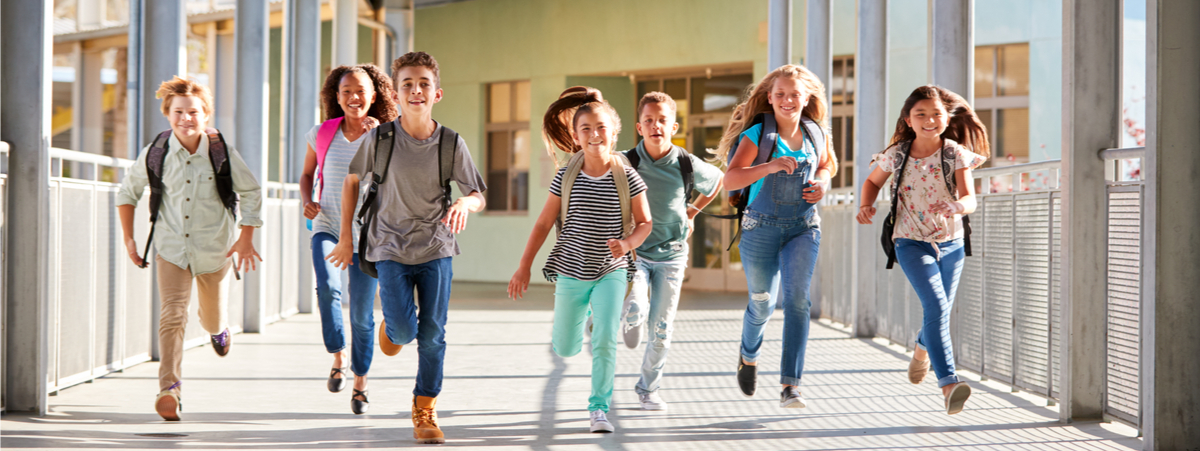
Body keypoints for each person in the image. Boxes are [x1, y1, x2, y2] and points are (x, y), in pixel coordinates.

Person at [326, 51, 486, 445]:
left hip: (436, 247)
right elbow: (351, 181)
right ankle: (393, 329)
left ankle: (424, 407)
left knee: (433, 335)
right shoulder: (379, 139)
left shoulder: (450, 142)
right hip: (388, 247)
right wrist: (346, 237)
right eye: (408, 85)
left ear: (437, 93)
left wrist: (465, 203)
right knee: (403, 328)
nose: (416, 91)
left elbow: (477, 192)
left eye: (424, 84)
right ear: (396, 95)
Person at [117, 76, 263, 421]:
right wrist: (129, 239)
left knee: (210, 317)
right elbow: (127, 193)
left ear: (206, 115)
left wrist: (246, 237)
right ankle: (169, 388)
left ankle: (218, 329)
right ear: (168, 114)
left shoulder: (221, 152)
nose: (186, 118)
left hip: (215, 249)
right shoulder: (156, 152)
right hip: (170, 248)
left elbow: (252, 191)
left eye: (193, 112)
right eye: (179, 112)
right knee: (172, 315)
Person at [507, 87, 652, 433]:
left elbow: (646, 222)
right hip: (571, 270)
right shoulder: (566, 176)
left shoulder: (627, 175)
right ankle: (587, 318)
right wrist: (524, 266)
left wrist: (628, 242)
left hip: (611, 270)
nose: (594, 134)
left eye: (601, 127)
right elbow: (543, 223)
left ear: (614, 132)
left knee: (605, 339)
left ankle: (599, 409)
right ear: (575, 135)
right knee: (566, 346)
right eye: (585, 128)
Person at [855, 85, 989, 415]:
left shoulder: (954, 153)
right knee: (937, 307)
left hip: (952, 243)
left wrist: (958, 205)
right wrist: (866, 205)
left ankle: (920, 349)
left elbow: (970, 198)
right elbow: (872, 182)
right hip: (910, 241)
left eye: (936, 114)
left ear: (946, 118)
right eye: (921, 114)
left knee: (937, 312)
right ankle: (949, 385)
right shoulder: (897, 154)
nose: (929, 120)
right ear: (908, 120)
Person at [716, 64, 838, 408]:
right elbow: (731, 179)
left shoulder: (816, 133)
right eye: (781, 94)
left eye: (795, 94)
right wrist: (769, 166)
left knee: (798, 300)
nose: (788, 100)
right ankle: (748, 354)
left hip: (803, 227)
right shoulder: (758, 135)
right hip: (760, 228)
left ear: (806, 98)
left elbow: (828, 164)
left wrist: (823, 184)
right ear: (769, 98)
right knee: (762, 302)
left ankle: (790, 385)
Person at [299, 64, 397, 414]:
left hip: (369, 236)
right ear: (336, 97)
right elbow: (309, 174)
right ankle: (337, 353)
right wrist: (307, 200)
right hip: (326, 223)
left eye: (361, 91)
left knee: (361, 314)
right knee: (327, 287)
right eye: (346, 92)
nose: (354, 97)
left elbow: (396, 181)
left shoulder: (389, 135)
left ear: (374, 96)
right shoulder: (322, 132)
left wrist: (382, 139)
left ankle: (361, 381)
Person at [619, 91, 723, 411]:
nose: (655, 126)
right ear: (639, 127)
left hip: (673, 256)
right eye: (649, 121)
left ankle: (648, 388)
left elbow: (718, 180)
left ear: (674, 126)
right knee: (637, 302)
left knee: (662, 330)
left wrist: (692, 211)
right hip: (635, 253)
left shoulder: (685, 163)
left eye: (662, 120)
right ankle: (631, 317)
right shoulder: (624, 162)